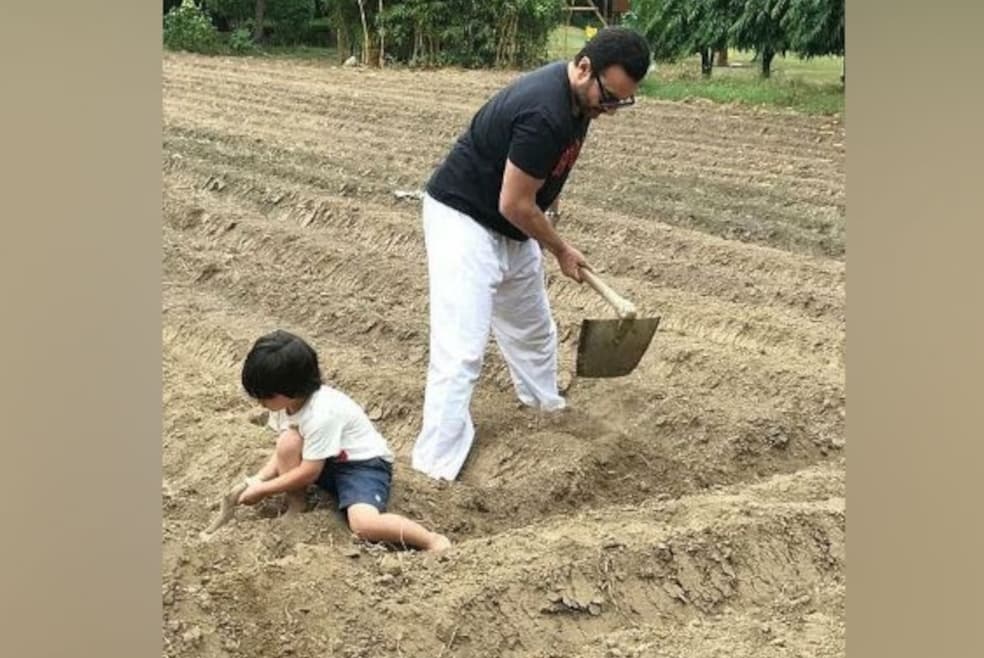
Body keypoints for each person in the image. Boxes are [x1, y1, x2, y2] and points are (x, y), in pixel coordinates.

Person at [412, 27, 652, 481]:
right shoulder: (546, 111)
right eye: (611, 97)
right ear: (584, 68)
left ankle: (545, 413)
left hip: (510, 226)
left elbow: (538, 187)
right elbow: (515, 202)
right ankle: (432, 471)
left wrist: (549, 224)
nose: (613, 109)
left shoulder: (581, 102)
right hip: (464, 219)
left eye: (623, 101)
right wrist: (560, 249)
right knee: (461, 350)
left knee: (533, 329)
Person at [206, 329, 451, 553]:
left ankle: (431, 540)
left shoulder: (322, 414)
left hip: (361, 466)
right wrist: (257, 479)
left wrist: (265, 489)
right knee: (288, 442)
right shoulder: (284, 405)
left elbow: (309, 472)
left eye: (265, 396)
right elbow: (283, 452)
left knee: (364, 525)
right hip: (328, 458)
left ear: (289, 389)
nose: (261, 403)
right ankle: (297, 504)